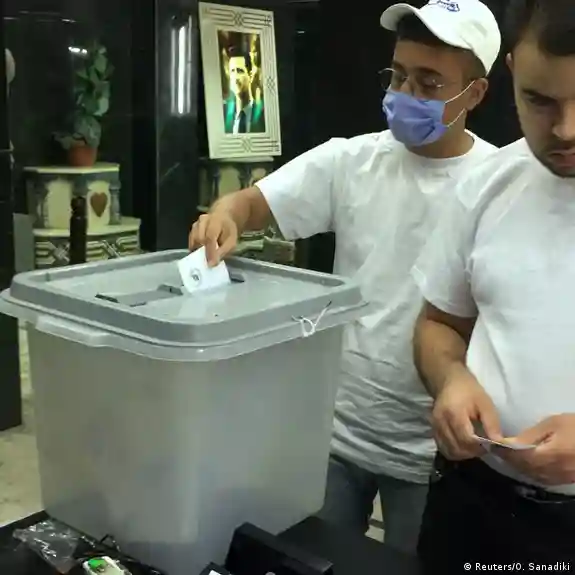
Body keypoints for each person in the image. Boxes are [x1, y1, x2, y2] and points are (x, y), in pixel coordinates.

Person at [190, 0, 500, 555]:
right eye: (398, 76)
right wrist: (224, 215)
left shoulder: (498, 186)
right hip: (335, 433)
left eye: (429, 83)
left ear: (474, 95)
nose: (406, 94)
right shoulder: (352, 161)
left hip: (434, 449)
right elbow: (252, 203)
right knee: (314, 559)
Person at [412, 0, 575, 568]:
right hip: (473, 497)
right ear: (511, 73)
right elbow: (438, 324)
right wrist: (451, 379)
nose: (566, 130)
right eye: (540, 100)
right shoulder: (489, 183)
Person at [223, 46, 265, 134]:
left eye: (240, 71)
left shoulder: (262, 116)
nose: (236, 77)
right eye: (232, 71)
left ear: (250, 75)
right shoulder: (223, 115)